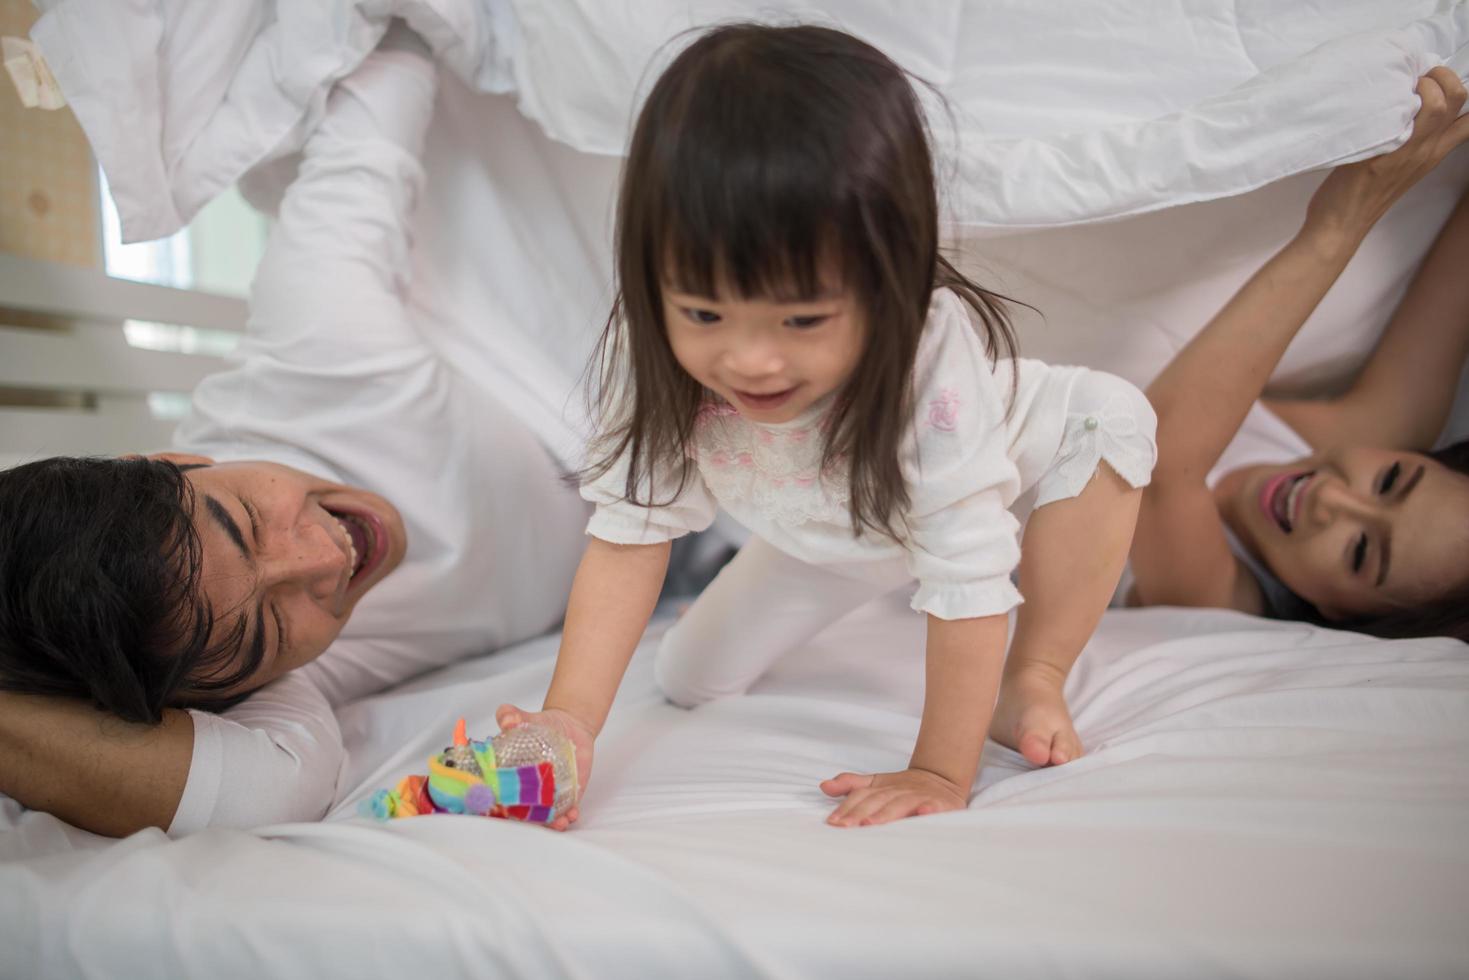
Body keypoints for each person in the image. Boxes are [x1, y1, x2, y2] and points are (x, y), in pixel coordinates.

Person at [496, 23, 1158, 831]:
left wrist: (938, 773)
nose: (749, 361)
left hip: (973, 482)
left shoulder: (926, 364)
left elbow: (966, 573)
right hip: (831, 520)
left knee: (1109, 414)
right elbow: (629, 536)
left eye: (802, 319)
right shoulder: (656, 352)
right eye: (703, 311)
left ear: (890, 280)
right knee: (687, 678)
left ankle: (1038, 671)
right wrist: (567, 721)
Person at [0, 32, 587, 837]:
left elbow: (397, 63)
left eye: (245, 522)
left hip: (556, 361)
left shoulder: (315, 341)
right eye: (274, 625)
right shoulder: (230, 667)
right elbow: (259, 794)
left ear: (173, 461)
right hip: (658, 530)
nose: (323, 559)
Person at [1132, 66, 1469, 638]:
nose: (1332, 499)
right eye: (1389, 480)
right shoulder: (1373, 430)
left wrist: (1341, 223)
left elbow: (1150, 457)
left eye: (1361, 552)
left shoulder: (1223, 602)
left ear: (1344, 615)